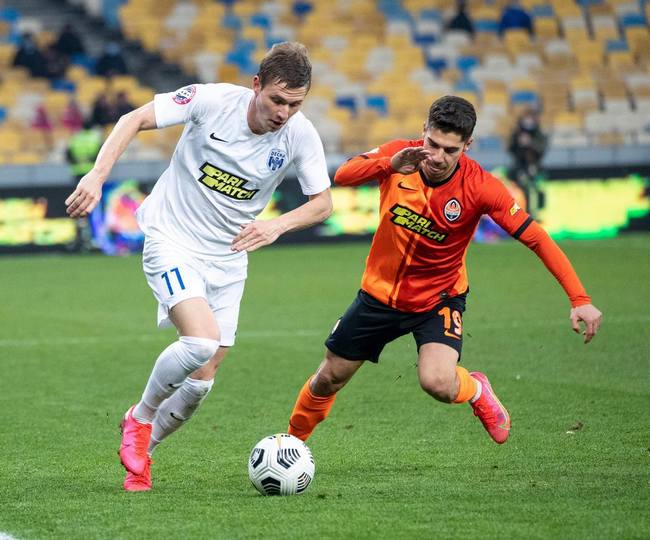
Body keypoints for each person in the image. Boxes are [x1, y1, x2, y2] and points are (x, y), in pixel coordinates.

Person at [65, 42, 332, 492]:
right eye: (277, 100)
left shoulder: (299, 135)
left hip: (229, 258)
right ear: (256, 86)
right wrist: (96, 175)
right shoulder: (211, 101)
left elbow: (322, 203)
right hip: (173, 240)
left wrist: (276, 226)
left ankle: (142, 457)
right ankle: (139, 419)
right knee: (200, 341)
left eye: (295, 104)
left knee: (203, 379)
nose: (284, 113)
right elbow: (133, 118)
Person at [286, 95, 602, 448]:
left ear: (468, 145)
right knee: (328, 378)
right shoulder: (401, 155)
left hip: (438, 299)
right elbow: (343, 175)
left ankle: (476, 388)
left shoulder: (481, 187)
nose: (437, 157)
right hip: (379, 294)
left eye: (450, 150)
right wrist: (389, 165)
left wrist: (580, 298)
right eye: (432, 144)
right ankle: (290, 445)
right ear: (424, 129)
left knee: (437, 382)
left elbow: (536, 238)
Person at [508, 108, 547, 217]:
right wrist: (518, 142)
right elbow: (511, 149)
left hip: (535, 167)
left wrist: (530, 143)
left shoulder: (539, 134)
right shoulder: (517, 133)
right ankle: (522, 213)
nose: (528, 121)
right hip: (519, 168)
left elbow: (541, 150)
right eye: (526, 118)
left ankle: (538, 213)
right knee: (520, 192)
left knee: (537, 190)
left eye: (530, 118)